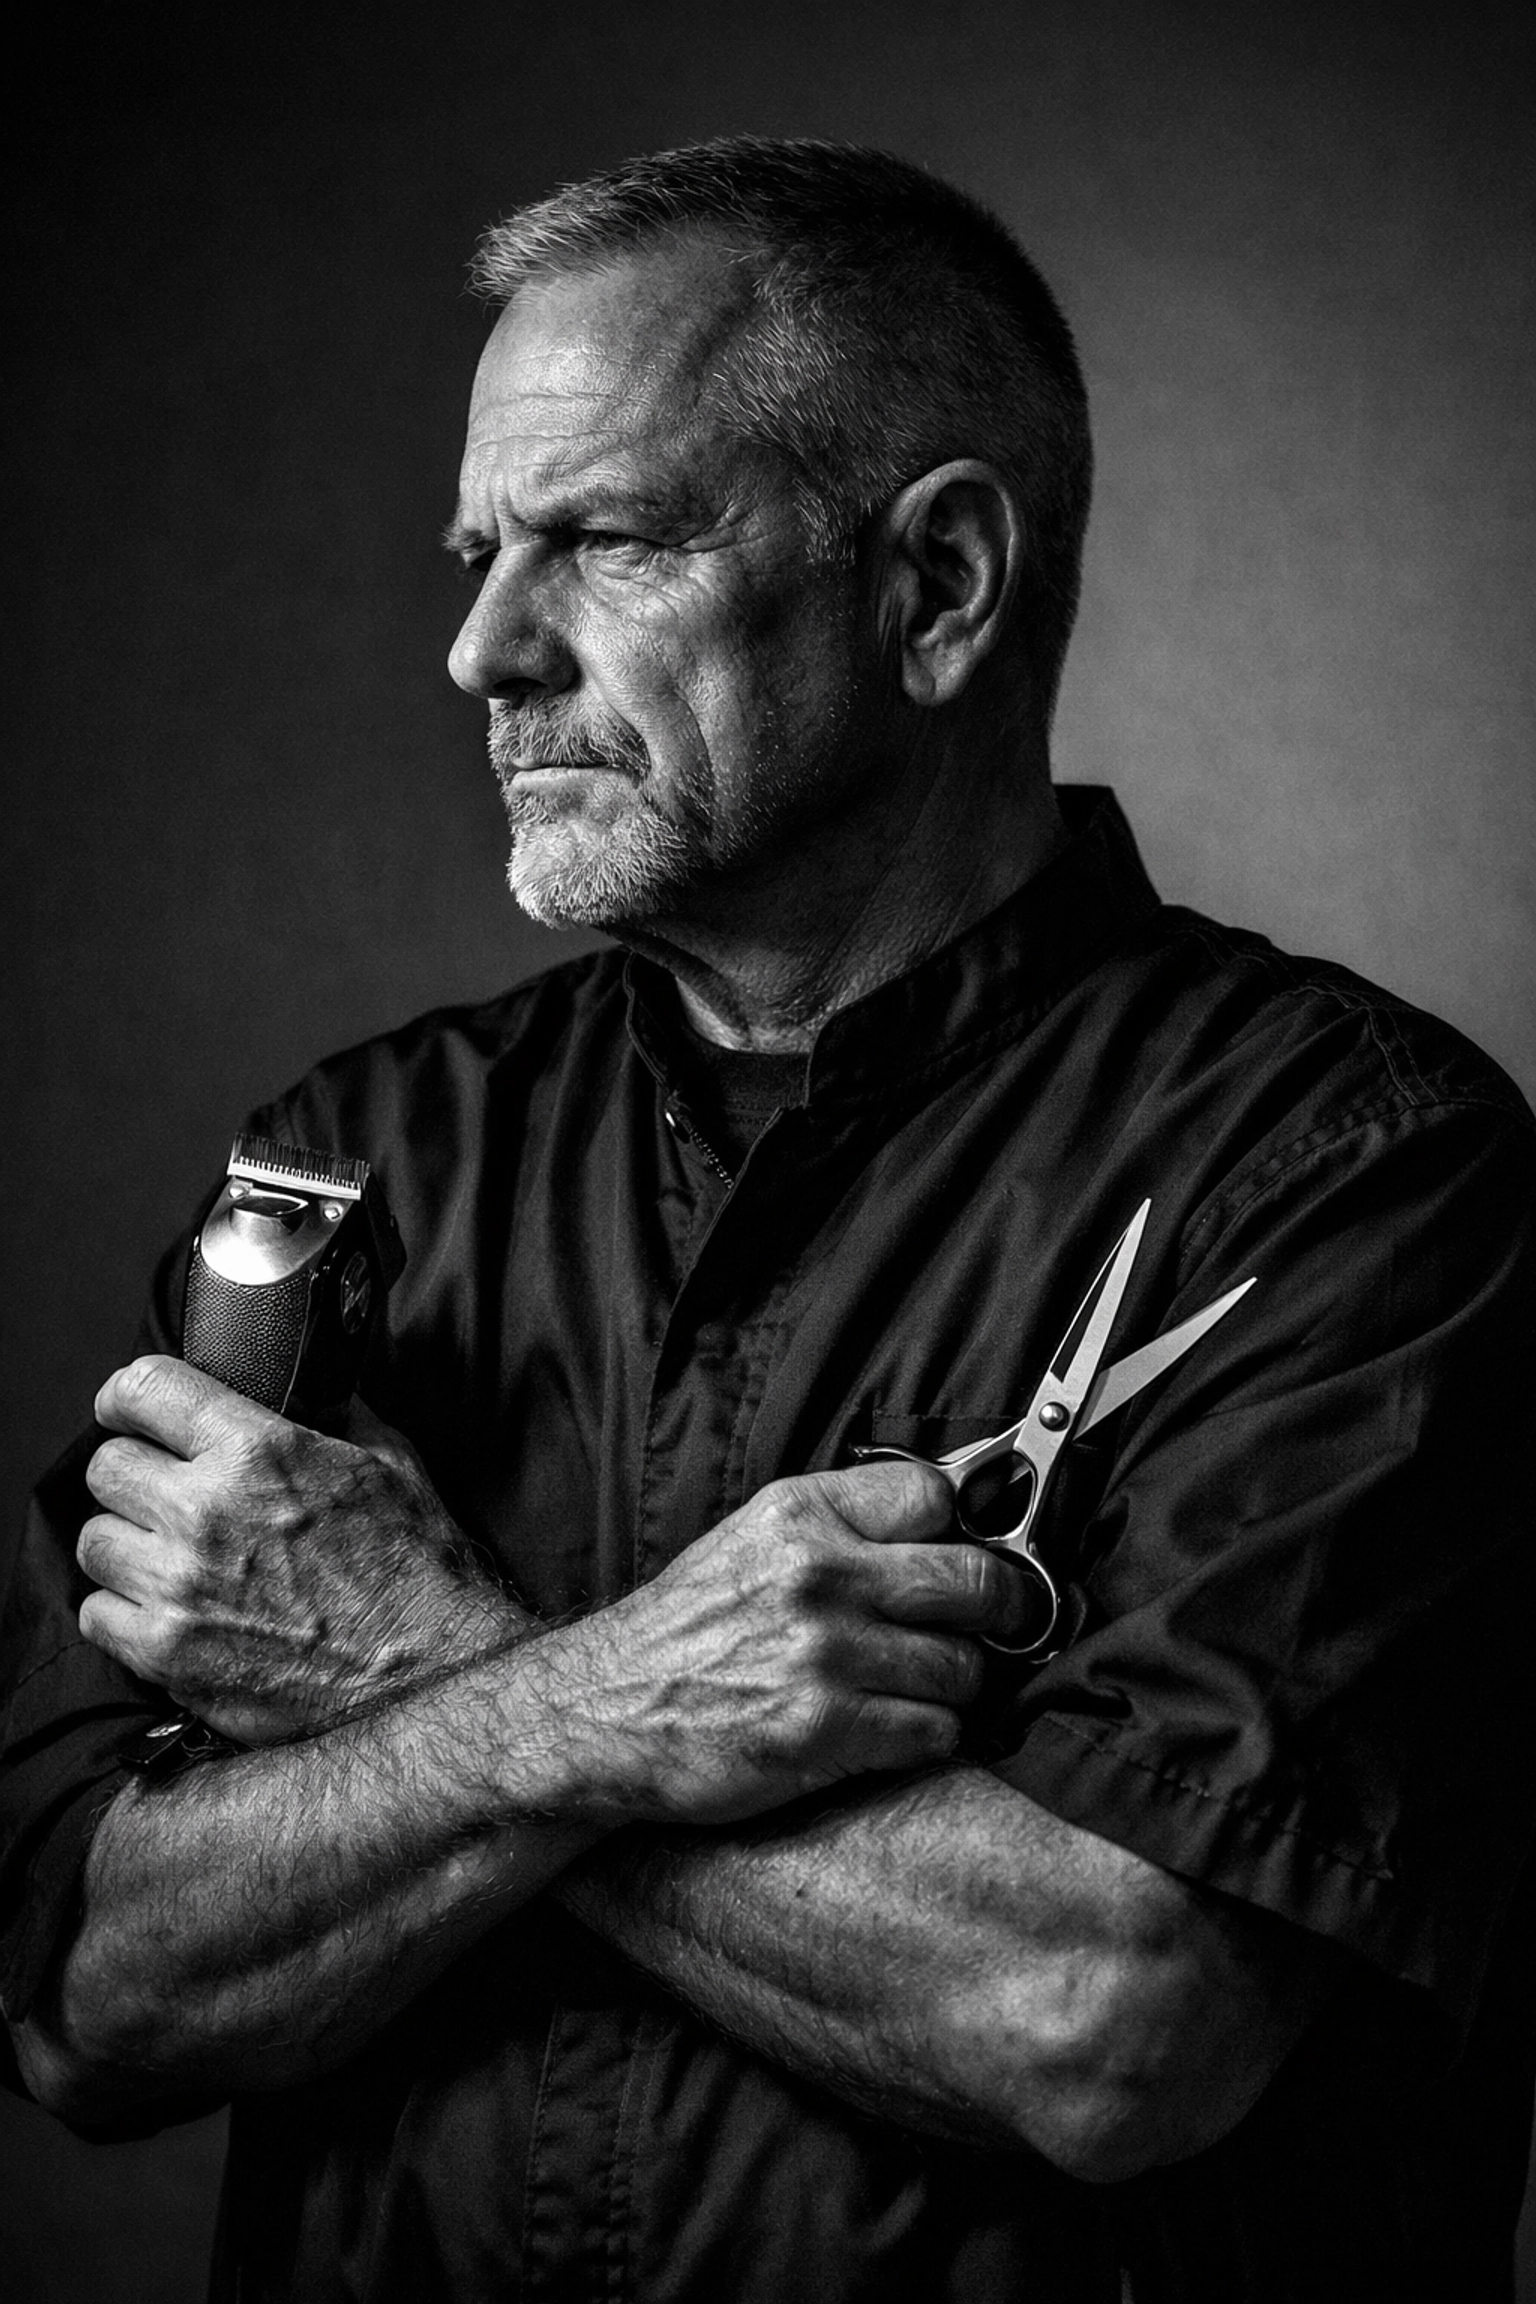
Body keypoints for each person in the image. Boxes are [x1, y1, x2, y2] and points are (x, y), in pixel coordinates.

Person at [2, 136, 1533, 2304]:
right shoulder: (354, 1172)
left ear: (936, 590)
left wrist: (433, 1677)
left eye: (601, 541)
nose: (477, 651)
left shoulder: (1357, 1175)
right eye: (478, 550)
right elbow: (85, 1992)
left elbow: (1105, 2022)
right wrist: (618, 1702)